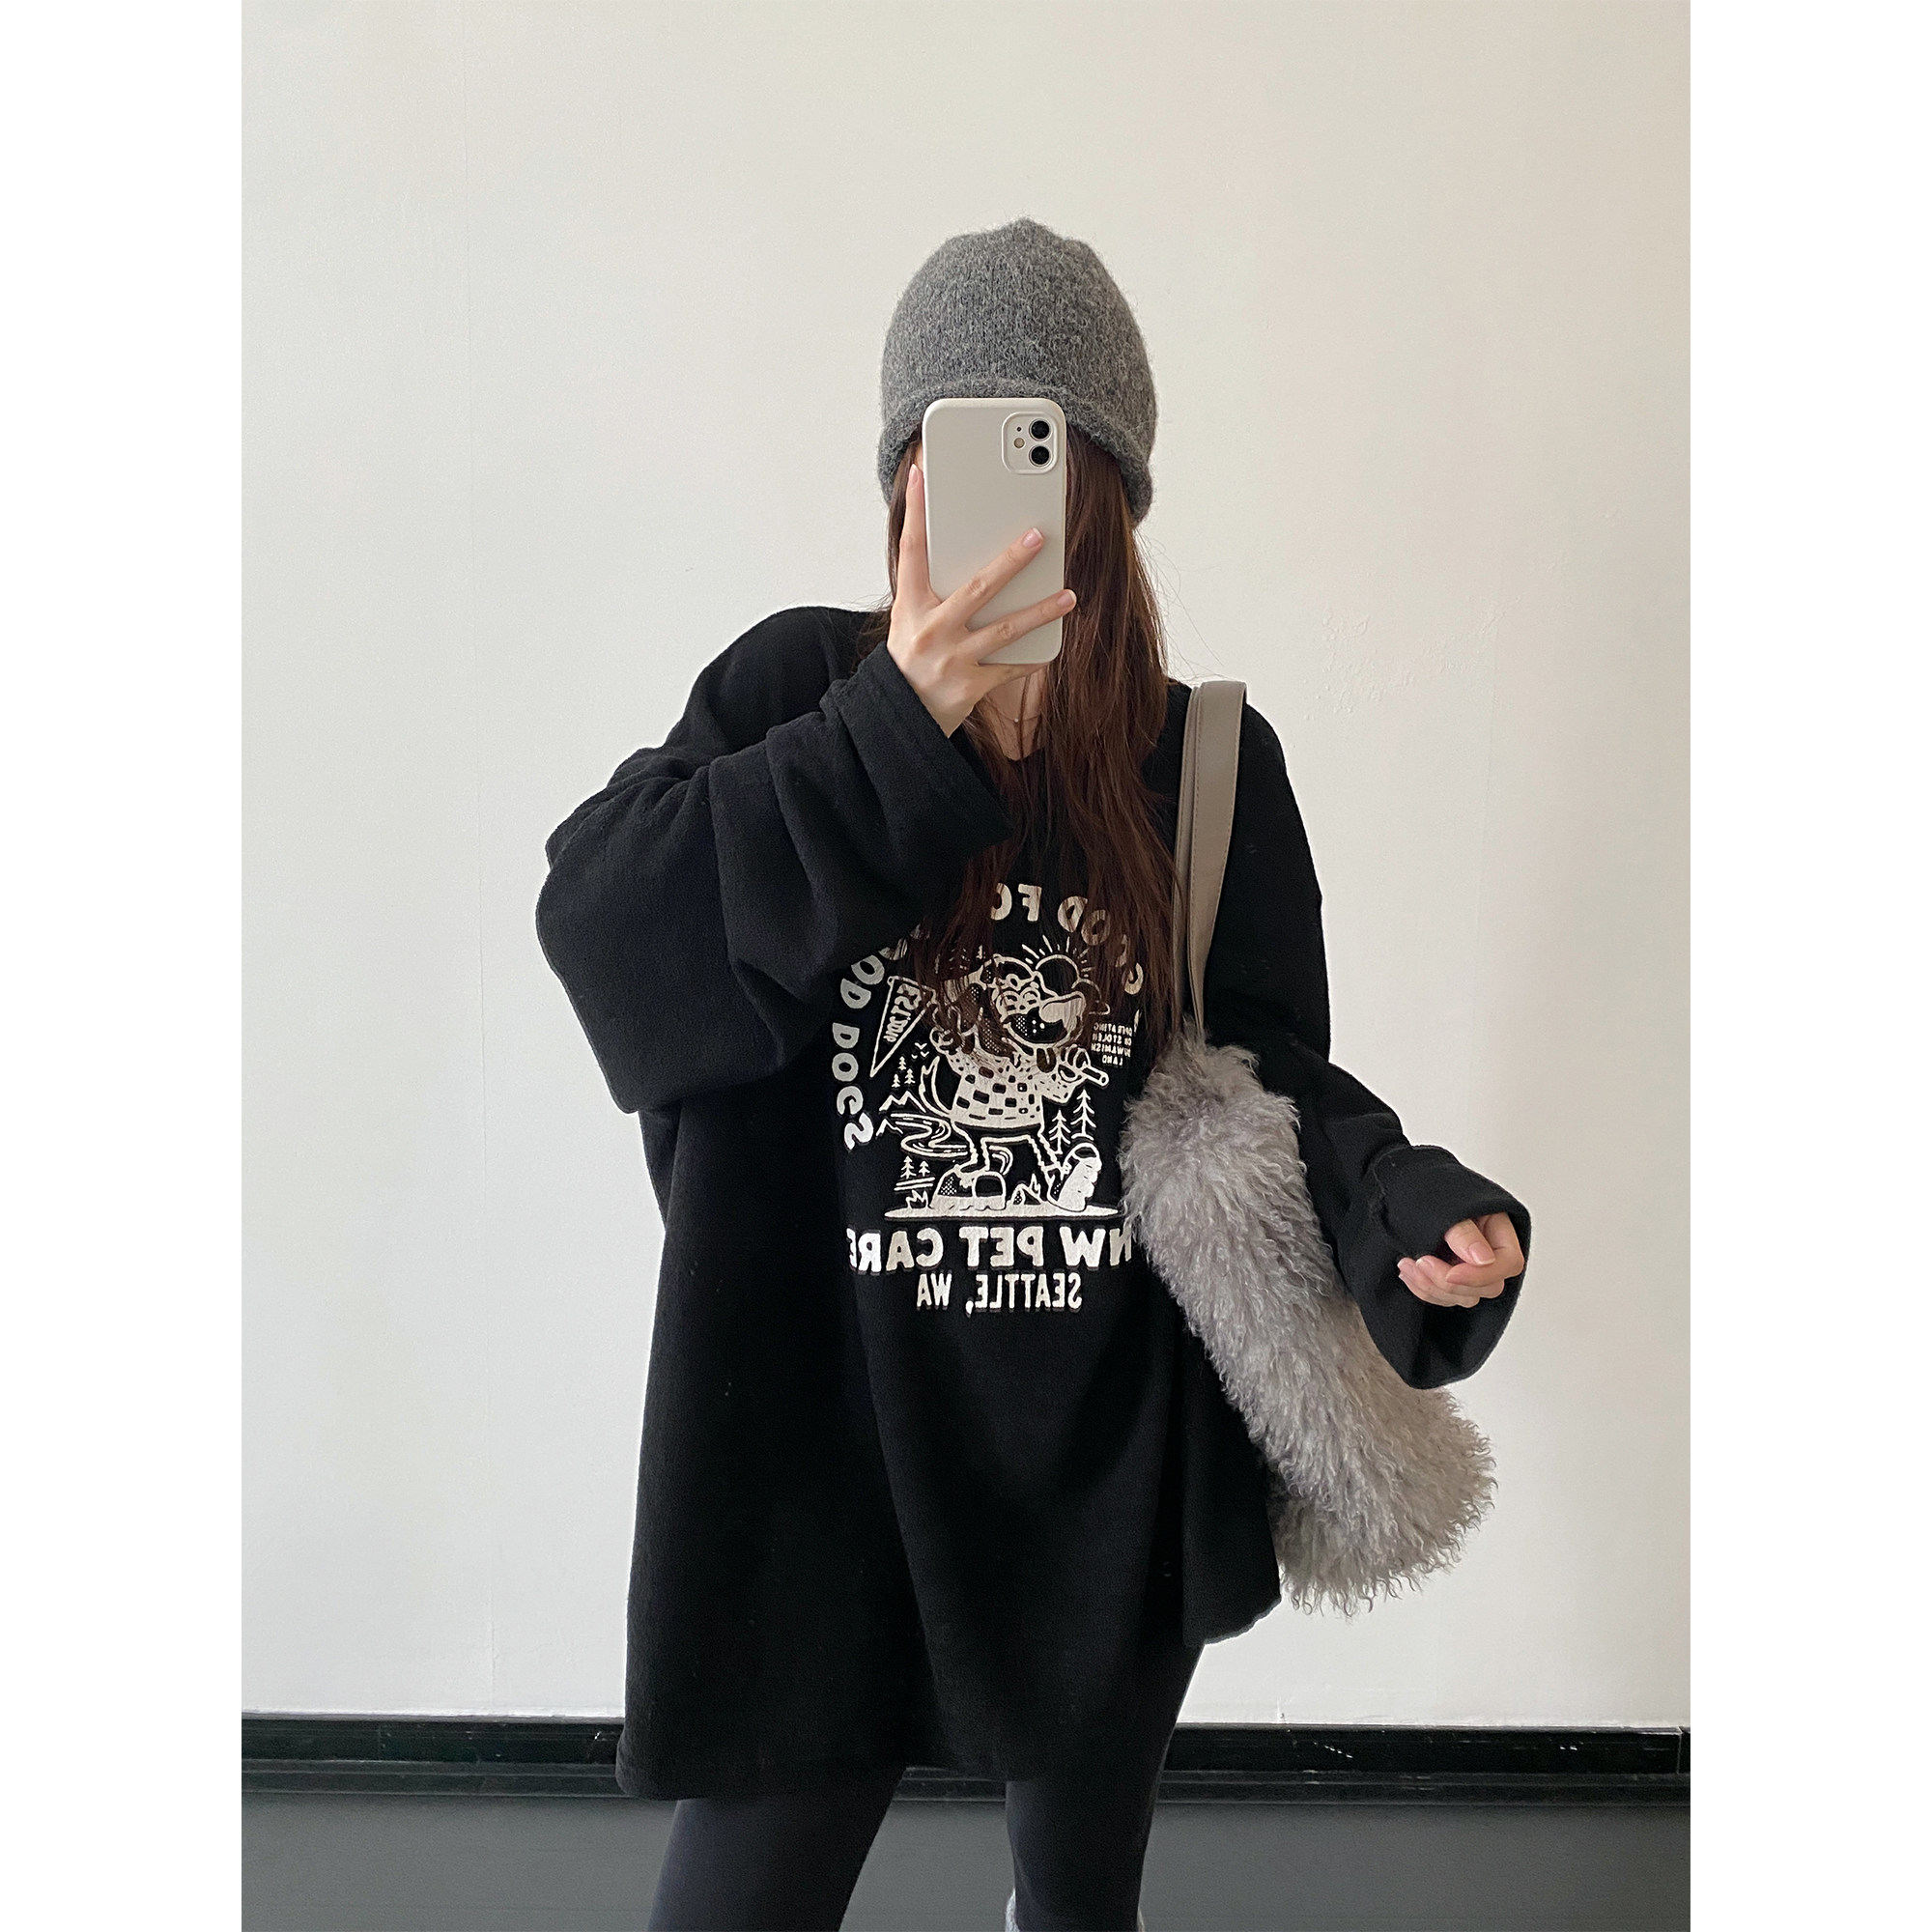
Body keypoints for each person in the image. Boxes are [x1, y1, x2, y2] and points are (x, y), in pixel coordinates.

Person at [536, 217, 1529, 1932]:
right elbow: (608, 938)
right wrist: (891, 731)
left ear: (1111, 500)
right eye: (956, 456)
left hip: (1102, 1474)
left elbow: (1267, 1073)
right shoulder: (794, 694)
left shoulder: (1202, 760)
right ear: (902, 483)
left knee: (1078, 1915)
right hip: (825, 1456)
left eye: (1047, 461)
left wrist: (1402, 1207)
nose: (1005, 510)